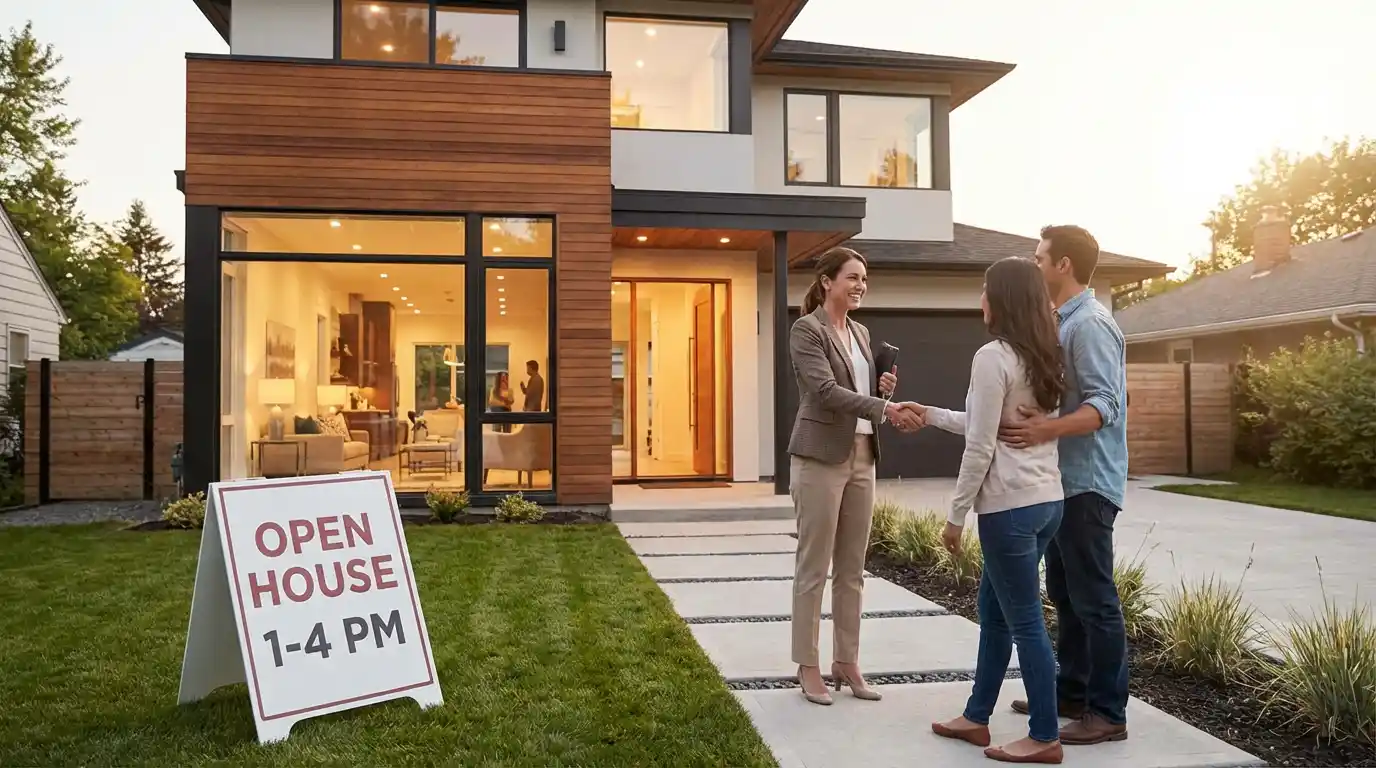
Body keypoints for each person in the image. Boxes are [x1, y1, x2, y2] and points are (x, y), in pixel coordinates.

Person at [906, 257, 1066, 764]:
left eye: (984, 289)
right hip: (1047, 501)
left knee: (1025, 623)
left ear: (1001, 299)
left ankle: (1045, 736)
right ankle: (977, 717)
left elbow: (980, 446)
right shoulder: (1044, 356)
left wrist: (956, 516)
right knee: (995, 613)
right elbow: (985, 424)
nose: (980, 298)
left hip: (1010, 509)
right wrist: (930, 414)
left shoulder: (992, 356)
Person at [998, 225, 1131, 745]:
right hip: (1062, 484)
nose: (1034, 266)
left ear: (1064, 265)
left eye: (1039, 258)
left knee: (1095, 600)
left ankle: (1108, 713)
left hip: (1088, 483)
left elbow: (1106, 405)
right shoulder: (1061, 322)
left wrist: (1043, 430)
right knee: (1066, 595)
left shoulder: (1090, 324)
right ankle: (1072, 694)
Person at [786, 246, 915, 706]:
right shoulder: (807, 329)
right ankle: (808, 664)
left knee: (852, 569)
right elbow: (824, 391)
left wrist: (881, 389)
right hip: (820, 457)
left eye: (864, 279)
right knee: (814, 566)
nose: (860, 285)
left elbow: (857, 391)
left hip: (863, 454)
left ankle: (847, 661)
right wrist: (883, 407)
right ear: (827, 281)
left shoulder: (861, 332)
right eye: (852, 277)